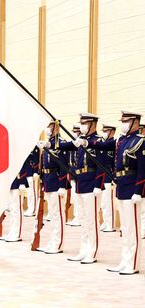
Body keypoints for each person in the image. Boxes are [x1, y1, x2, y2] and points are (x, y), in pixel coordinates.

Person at [83, 111, 144, 274]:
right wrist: (86, 143)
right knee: (125, 228)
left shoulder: (140, 142)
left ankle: (133, 264)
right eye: (122, 121)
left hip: (132, 189)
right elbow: (104, 145)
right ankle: (124, 260)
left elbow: (142, 169)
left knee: (133, 229)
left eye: (126, 121)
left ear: (135, 123)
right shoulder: (121, 141)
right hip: (122, 187)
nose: (123, 123)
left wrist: (139, 190)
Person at [56, 113, 106, 264]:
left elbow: (101, 165)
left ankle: (92, 251)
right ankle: (83, 250)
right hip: (80, 184)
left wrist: (98, 185)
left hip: (91, 185)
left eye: (85, 123)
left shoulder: (98, 142)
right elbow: (61, 146)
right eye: (81, 123)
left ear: (93, 124)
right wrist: (50, 143)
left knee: (91, 221)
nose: (82, 126)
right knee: (83, 220)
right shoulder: (80, 141)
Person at [36, 120, 71, 254]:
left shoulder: (61, 143)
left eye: (49, 126)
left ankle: (58, 243)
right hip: (49, 181)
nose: (47, 129)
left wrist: (62, 185)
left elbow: (64, 166)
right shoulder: (48, 142)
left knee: (58, 215)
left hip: (57, 182)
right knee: (52, 214)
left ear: (56, 127)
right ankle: (52, 241)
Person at [99, 124, 117, 232]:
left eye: (106, 131)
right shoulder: (103, 144)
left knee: (109, 202)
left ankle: (110, 224)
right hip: (102, 176)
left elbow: (115, 162)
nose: (104, 133)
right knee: (103, 203)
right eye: (103, 131)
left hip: (109, 176)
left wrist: (114, 176)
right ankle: (106, 222)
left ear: (112, 132)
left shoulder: (115, 144)